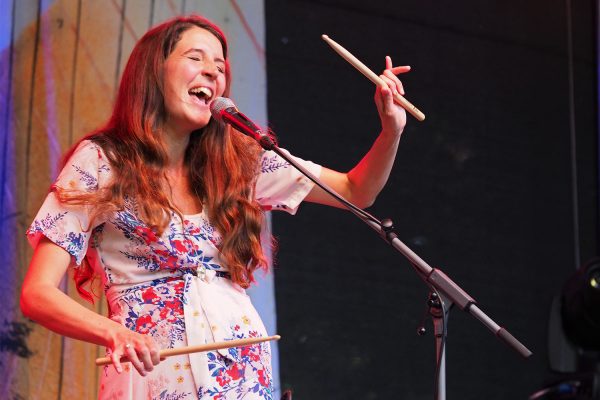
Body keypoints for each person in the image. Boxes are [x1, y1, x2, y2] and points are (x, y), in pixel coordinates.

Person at [20, 14, 409, 400]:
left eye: (220, 66)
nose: (212, 72)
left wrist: (391, 129)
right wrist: (115, 333)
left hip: (244, 378)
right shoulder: (103, 160)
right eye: (196, 58)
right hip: (155, 381)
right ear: (154, 71)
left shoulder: (236, 163)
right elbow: (37, 293)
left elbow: (355, 190)